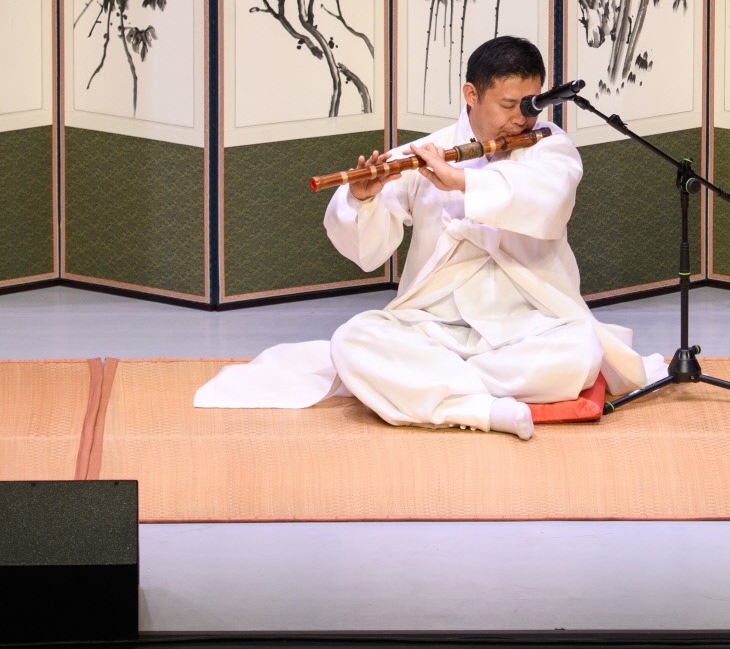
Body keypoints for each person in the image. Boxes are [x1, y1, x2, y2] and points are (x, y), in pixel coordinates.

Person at [194, 36, 652, 437]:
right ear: (471, 95)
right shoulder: (421, 155)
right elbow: (366, 251)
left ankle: (435, 389)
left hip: (528, 322)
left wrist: (463, 183)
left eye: (531, 105)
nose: (521, 119)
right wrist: (362, 199)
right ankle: (483, 409)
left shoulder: (550, 147)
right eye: (509, 105)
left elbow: (547, 199)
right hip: (433, 325)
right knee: (354, 340)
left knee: (580, 353)